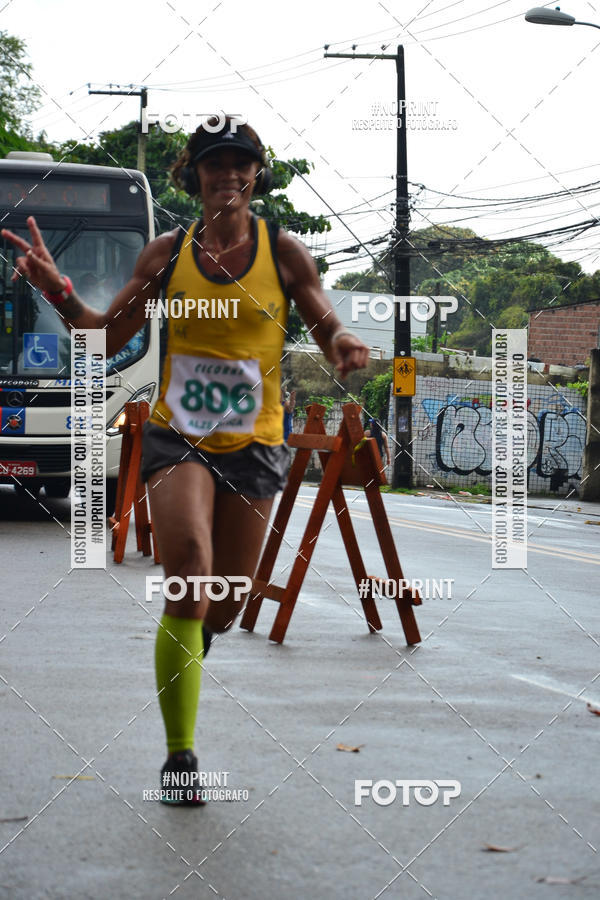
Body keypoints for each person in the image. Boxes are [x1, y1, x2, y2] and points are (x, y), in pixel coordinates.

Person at [2, 117, 370, 806]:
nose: (226, 173)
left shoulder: (284, 252)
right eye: (213, 162)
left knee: (223, 606)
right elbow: (103, 333)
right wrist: (56, 289)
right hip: (180, 439)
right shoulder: (167, 255)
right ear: (194, 175)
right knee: (190, 575)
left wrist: (343, 339)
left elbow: (323, 320)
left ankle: (196, 643)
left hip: (255, 444)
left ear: (255, 174)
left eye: (239, 162)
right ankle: (180, 757)